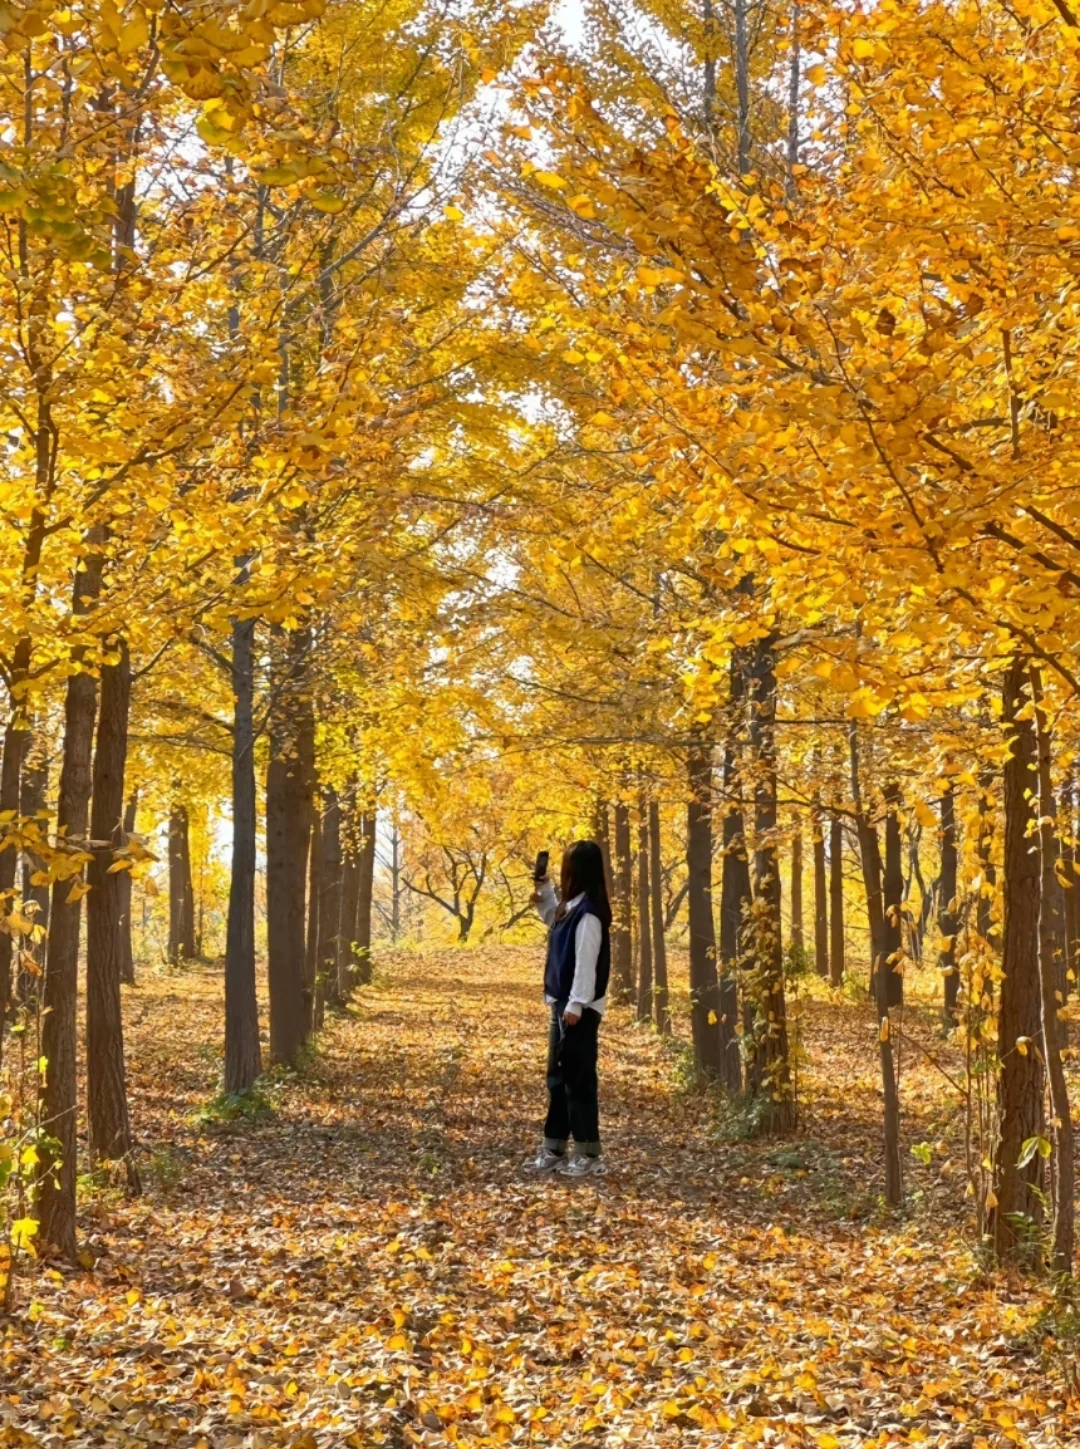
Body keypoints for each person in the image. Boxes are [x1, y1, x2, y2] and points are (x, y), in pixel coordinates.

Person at [522, 840, 611, 1177]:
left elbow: (586, 964)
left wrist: (575, 1005)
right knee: (557, 1078)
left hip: (579, 1008)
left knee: (578, 1079)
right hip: (562, 1003)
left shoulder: (589, 914)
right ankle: (554, 1147)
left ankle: (588, 1153)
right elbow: (552, 917)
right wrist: (545, 891)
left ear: (576, 870)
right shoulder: (572, 907)